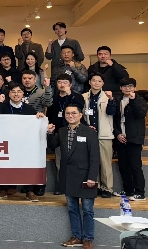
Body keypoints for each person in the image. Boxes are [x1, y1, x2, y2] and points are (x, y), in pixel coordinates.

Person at [47, 104, 99, 249]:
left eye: (74, 113)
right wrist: (50, 133)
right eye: (68, 113)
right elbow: (52, 145)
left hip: (86, 177)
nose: (70, 115)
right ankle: (77, 236)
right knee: (72, 208)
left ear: (80, 115)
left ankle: (88, 238)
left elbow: (94, 156)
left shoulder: (89, 132)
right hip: (68, 176)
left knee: (87, 210)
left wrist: (92, 177)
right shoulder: (62, 131)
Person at [0, 82, 45, 201]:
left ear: (23, 94)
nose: (16, 94)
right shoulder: (4, 107)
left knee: (27, 165)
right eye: (13, 91)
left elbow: (36, 125)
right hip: (7, 143)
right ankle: (4, 189)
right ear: (9, 94)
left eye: (19, 92)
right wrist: (0, 103)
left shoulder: (29, 109)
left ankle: (29, 190)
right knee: (5, 165)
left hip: (24, 144)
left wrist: (38, 118)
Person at [47, 73, 86, 195]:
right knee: (60, 162)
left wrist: (69, 95)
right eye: (59, 82)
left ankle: (76, 186)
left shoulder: (77, 96)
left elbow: (80, 108)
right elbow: (50, 114)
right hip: (59, 133)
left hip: (74, 132)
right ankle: (61, 186)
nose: (62, 85)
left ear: (70, 84)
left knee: (76, 161)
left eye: (65, 82)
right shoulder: (54, 98)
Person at [82, 73, 116, 198]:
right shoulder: (84, 97)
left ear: (103, 83)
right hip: (89, 134)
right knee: (91, 162)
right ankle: (94, 186)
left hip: (104, 134)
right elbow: (80, 115)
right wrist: (86, 126)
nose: (96, 83)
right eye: (94, 80)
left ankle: (107, 188)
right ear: (89, 82)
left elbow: (112, 112)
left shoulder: (108, 97)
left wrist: (111, 100)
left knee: (105, 163)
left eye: (99, 81)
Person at [113, 78, 148, 200]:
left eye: (130, 86)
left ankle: (140, 192)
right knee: (123, 166)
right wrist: (117, 134)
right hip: (120, 137)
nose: (128, 88)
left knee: (135, 166)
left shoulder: (140, 100)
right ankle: (128, 190)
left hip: (134, 138)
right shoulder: (117, 100)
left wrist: (133, 100)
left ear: (134, 88)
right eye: (125, 86)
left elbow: (140, 114)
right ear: (120, 88)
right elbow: (113, 119)